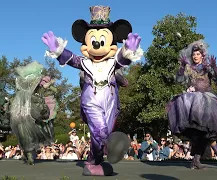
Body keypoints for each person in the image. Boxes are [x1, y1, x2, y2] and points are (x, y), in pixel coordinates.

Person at [42, 5, 143, 176]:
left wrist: (128, 50)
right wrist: (56, 49)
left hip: (110, 100)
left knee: (105, 132)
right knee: (100, 130)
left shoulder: (111, 63)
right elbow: (71, 59)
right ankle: (110, 152)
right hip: (91, 99)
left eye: (102, 40)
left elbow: (121, 60)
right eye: (93, 40)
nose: (97, 44)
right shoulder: (85, 62)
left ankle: (93, 162)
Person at [167, 40, 217, 169]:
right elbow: (179, 80)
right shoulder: (188, 68)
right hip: (192, 101)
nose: (195, 56)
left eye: (197, 54)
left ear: (202, 55)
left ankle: (201, 160)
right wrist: (181, 67)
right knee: (200, 131)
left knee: (205, 131)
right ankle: (207, 159)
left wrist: (214, 67)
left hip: (208, 100)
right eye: (194, 54)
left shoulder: (207, 67)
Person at [9, 61, 57, 165]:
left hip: (19, 108)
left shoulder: (19, 81)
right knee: (30, 132)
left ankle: (28, 154)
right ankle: (28, 154)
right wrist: (51, 84)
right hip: (29, 106)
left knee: (23, 132)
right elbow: (44, 87)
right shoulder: (35, 81)